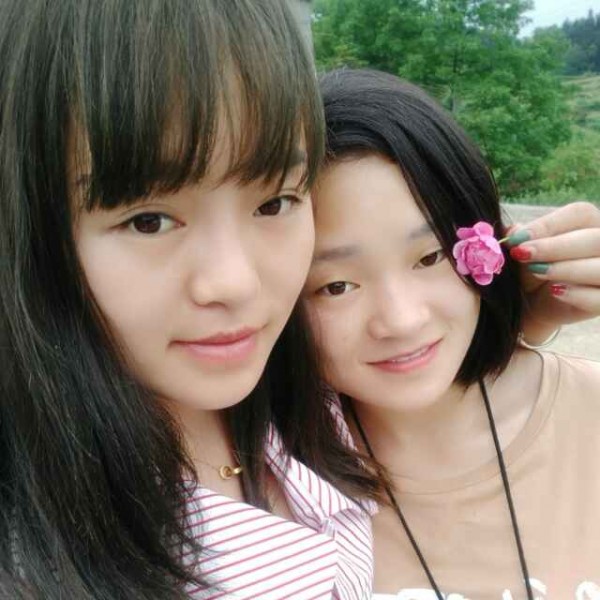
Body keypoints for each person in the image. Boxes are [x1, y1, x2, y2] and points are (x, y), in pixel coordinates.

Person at [0, 3, 377, 598]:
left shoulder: (310, 397)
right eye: (148, 220)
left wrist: (510, 321)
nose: (235, 283)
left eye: (274, 203)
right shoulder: (35, 552)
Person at [303, 68, 600, 599]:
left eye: (431, 257)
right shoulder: (271, 490)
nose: (402, 320)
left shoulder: (588, 413)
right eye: (337, 286)